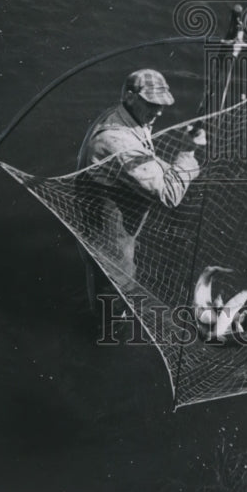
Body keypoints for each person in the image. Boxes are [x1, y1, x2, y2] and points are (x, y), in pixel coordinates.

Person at [77, 68, 205, 312]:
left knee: (105, 277)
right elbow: (170, 195)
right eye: (152, 104)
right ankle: (109, 326)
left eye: (162, 104)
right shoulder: (115, 140)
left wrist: (176, 169)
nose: (159, 111)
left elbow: (143, 157)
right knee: (117, 285)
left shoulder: (124, 115)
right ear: (130, 96)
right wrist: (187, 154)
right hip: (108, 239)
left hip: (102, 224)